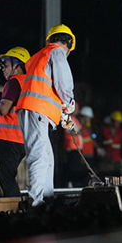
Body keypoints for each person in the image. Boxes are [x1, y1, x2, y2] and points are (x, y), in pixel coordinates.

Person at [15, 25, 76, 207]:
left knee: (47, 158)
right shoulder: (57, 53)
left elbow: (46, 88)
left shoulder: (38, 56)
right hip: (37, 110)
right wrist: (70, 103)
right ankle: (37, 203)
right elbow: (63, 83)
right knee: (40, 157)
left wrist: (61, 111)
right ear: (69, 43)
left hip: (34, 109)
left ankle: (46, 200)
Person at [0, 47, 29, 197]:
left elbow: (3, 108)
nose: (3, 68)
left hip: (10, 137)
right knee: (5, 173)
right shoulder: (27, 83)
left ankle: (16, 209)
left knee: (4, 174)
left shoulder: (13, 82)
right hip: (23, 138)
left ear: (17, 65)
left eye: (6, 65)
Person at [103, 110, 122, 175]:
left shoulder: (120, 132)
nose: (118, 124)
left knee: (117, 175)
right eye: (117, 122)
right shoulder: (105, 130)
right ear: (112, 121)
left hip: (117, 158)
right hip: (107, 157)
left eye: (119, 122)